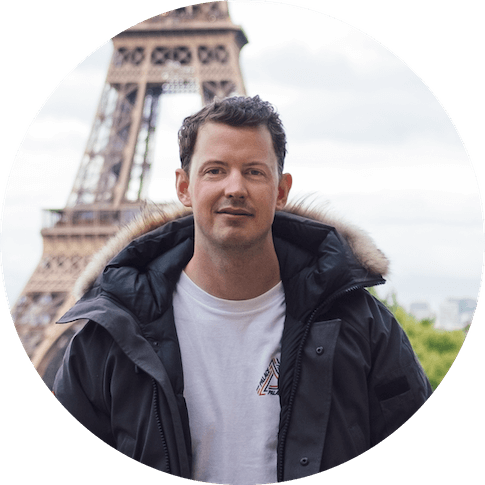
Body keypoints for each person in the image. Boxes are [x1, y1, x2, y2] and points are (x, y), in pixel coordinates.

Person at [54, 95, 432, 483]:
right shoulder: (109, 335)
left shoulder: (364, 326)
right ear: (184, 187)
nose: (235, 188)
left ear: (281, 190)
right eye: (215, 171)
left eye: (253, 172)